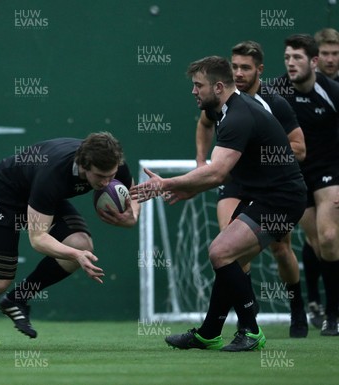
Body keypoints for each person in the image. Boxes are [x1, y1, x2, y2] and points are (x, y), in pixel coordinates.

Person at [134, 56, 306, 352]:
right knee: (230, 257)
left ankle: (251, 331)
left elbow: (217, 171)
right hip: (264, 195)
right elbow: (219, 173)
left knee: (220, 252)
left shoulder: (239, 116)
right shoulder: (224, 112)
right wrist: (190, 190)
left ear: (218, 86)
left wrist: (166, 183)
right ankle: (210, 333)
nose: (193, 91)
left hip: (281, 199)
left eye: (198, 86)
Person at [0, 132, 139, 347]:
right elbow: (38, 240)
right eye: (100, 176)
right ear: (84, 165)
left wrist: (132, 215)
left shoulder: (112, 164)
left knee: (81, 242)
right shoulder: (53, 175)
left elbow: (133, 192)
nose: (108, 183)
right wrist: (76, 256)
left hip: (38, 195)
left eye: (111, 176)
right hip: (4, 194)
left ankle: (17, 299)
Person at [195, 41, 308, 338]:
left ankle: (297, 309)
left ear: (260, 70)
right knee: (226, 246)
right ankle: (244, 318)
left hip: (269, 183)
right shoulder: (220, 102)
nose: (240, 72)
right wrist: (200, 160)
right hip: (236, 179)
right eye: (235, 66)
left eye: (246, 67)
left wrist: (260, 152)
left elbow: (299, 148)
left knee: (280, 249)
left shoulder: (272, 104)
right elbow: (205, 124)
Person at [276, 34, 339, 336]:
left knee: (329, 237)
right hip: (295, 176)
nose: (291, 63)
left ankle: (334, 315)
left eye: (297, 58)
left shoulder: (332, 92)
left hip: (329, 172)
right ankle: (309, 306)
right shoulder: (275, 92)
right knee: (316, 243)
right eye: (287, 57)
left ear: (313, 62)